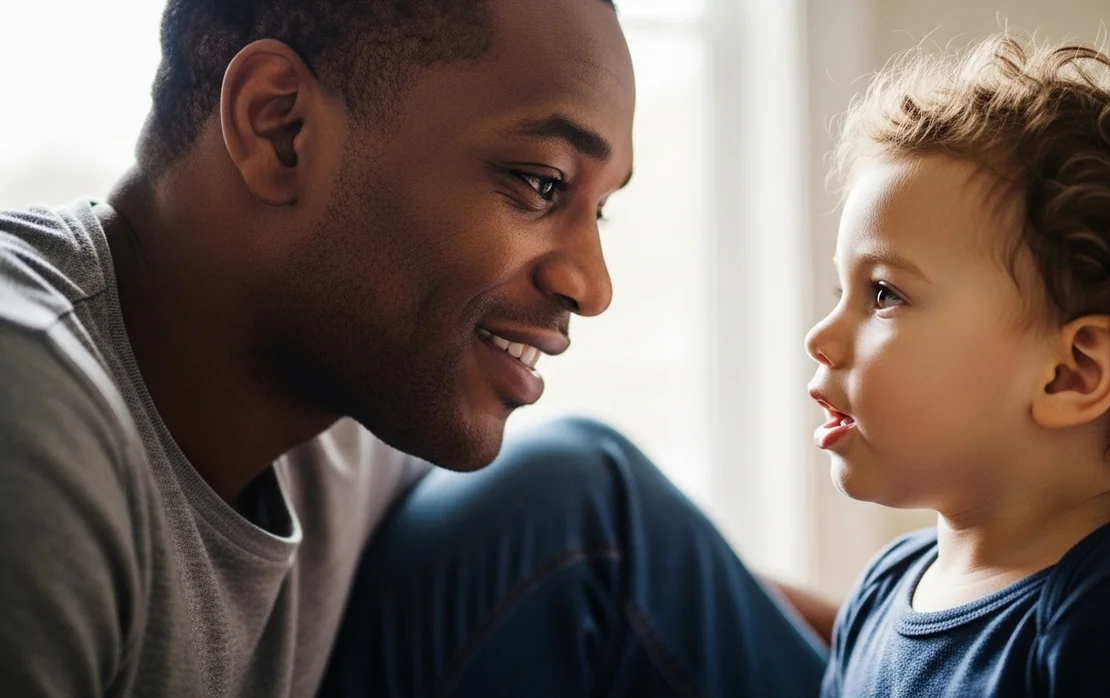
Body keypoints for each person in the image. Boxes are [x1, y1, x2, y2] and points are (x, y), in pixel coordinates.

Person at [0, 0, 832, 695]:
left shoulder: (340, 409)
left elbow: (622, 565)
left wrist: (898, 620)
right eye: (540, 182)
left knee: (577, 496)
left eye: (599, 210)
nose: (592, 285)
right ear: (280, 127)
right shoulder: (29, 412)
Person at [809, 35, 1110, 697]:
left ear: (1073, 374)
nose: (820, 337)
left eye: (885, 294)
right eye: (842, 291)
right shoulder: (885, 586)